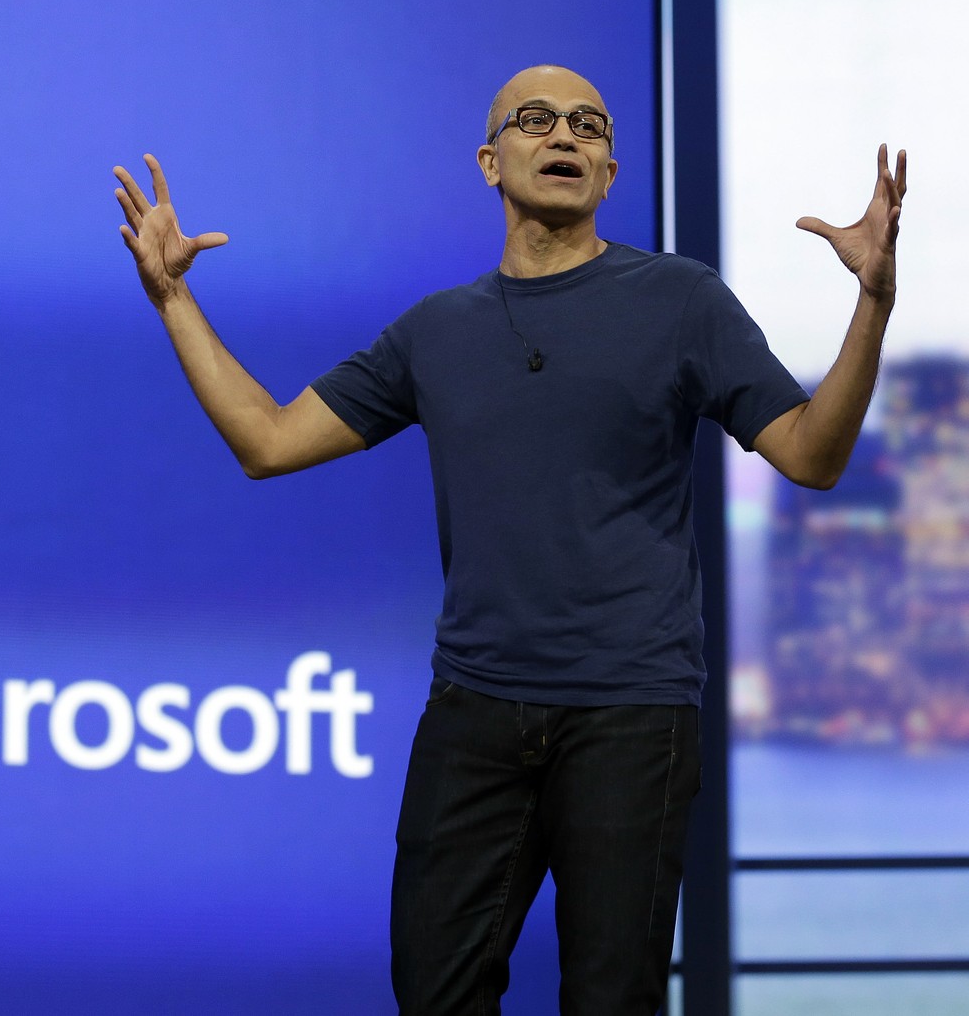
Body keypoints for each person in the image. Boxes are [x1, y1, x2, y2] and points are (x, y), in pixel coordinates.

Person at [113, 64, 905, 1015]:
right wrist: (172, 299)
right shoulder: (435, 331)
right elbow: (268, 441)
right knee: (435, 993)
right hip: (475, 714)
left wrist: (872, 307)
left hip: (631, 718)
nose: (565, 136)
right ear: (491, 161)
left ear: (610, 171)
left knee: (613, 1001)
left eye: (588, 126)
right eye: (537, 121)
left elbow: (813, 456)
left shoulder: (684, 302)